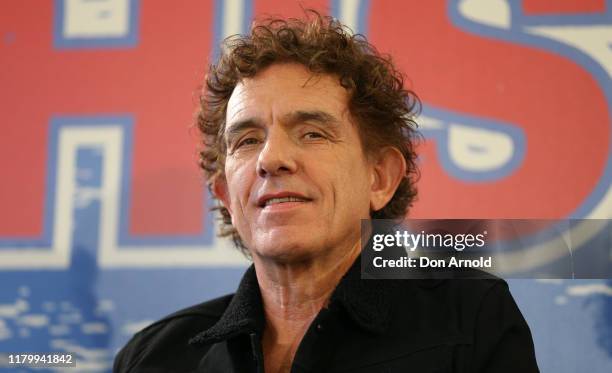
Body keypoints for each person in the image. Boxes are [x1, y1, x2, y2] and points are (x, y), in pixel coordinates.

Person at [113, 11, 539, 373]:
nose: (271, 158)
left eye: (312, 133)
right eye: (246, 140)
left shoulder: (470, 322)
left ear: (380, 178)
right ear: (225, 193)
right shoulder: (155, 356)